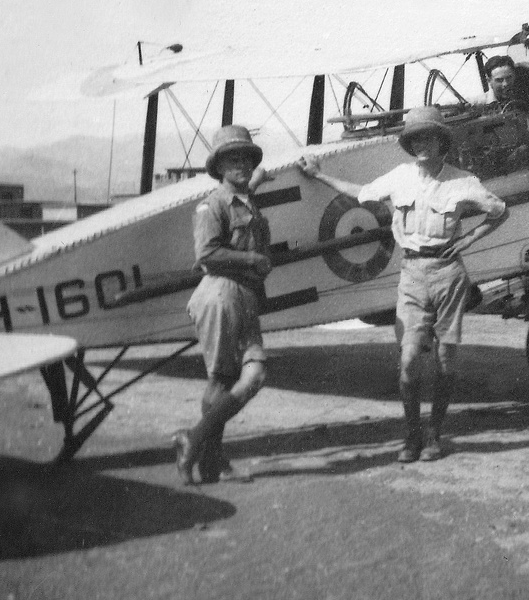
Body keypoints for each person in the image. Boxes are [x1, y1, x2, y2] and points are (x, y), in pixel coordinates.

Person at [297, 106, 509, 462]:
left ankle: (433, 435)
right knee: (409, 359)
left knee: (445, 359)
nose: (424, 144)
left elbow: (500, 210)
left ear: (443, 142)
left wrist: (469, 240)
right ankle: (411, 435)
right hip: (412, 274)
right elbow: (361, 192)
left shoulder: (462, 180)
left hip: (449, 273)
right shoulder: (399, 177)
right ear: (411, 144)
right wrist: (320, 176)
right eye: (417, 138)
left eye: (430, 137)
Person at [173, 125, 272, 485]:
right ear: (219, 166)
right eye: (233, 159)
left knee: (253, 376)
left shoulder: (245, 198)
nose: (242, 164)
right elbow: (207, 254)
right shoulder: (212, 205)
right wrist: (253, 260)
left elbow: (247, 192)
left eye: (246, 157)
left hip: (243, 296)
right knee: (222, 380)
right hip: (221, 293)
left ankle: (195, 441)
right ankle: (211, 462)